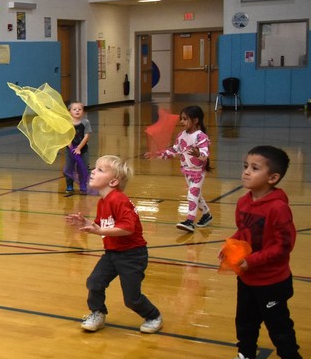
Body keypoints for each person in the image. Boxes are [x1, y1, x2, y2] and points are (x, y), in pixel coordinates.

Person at [216, 146, 304, 359]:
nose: (246, 172)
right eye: (245, 166)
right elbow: (244, 233)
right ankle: (247, 358)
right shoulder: (244, 202)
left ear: (273, 178)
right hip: (247, 278)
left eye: (254, 168)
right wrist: (230, 246)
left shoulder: (277, 208)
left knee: (279, 326)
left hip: (272, 281)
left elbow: (283, 245)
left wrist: (252, 261)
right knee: (245, 321)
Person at [65, 155, 163, 334]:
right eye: (95, 168)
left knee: (132, 299)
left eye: (100, 170)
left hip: (132, 255)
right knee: (94, 282)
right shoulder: (104, 201)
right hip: (112, 253)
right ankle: (98, 313)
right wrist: (87, 223)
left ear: (113, 181)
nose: (93, 171)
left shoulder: (118, 199)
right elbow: (105, 225)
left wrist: (99, 231)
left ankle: (153, 315)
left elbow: (128, 228)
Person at [145, 105, 212, 232]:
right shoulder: (181, 135)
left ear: (196, 120)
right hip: (187, 171)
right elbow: (174, 150)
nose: (182, 122)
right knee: (197, 196)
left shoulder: (200, 136)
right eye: (181, 119)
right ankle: (207, 215)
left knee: (192, 196)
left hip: (198, 172)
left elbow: (205, 155)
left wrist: (198, 154)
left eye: (185, 119)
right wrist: (157, 154)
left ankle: (190, 221)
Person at [63, 101, 92, 196]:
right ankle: (69, 187)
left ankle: (83, 186)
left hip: (83, 150)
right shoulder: (67, 123)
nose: (77, 111)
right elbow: (66, 136)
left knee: (83, 168)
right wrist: (71, 148)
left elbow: (86, 136)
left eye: (79, 109)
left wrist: (79, 148)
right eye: (74, 109)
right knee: (69, 168)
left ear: (83, 111)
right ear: (69, 111)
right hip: (70, 150)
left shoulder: (85, 122)